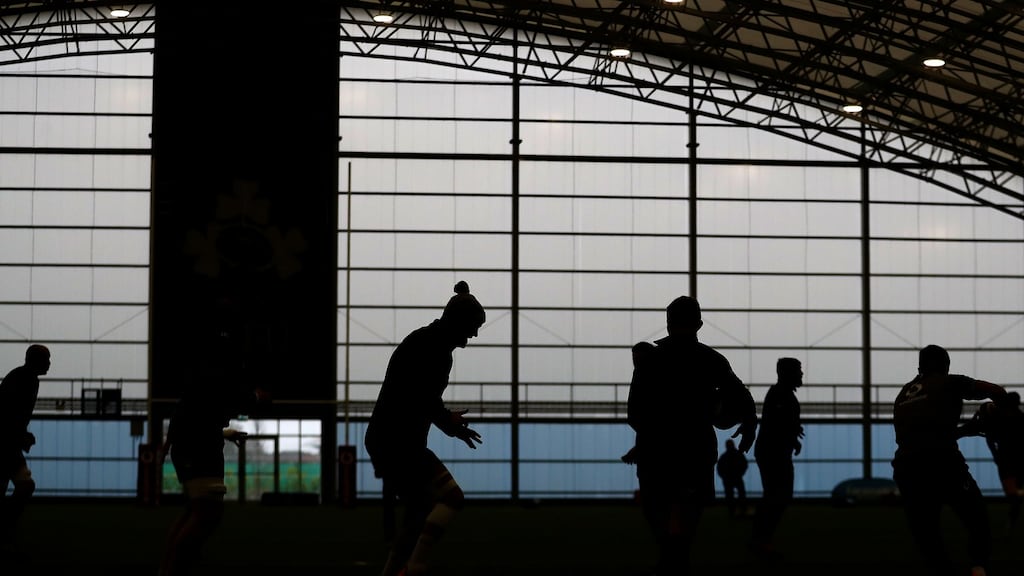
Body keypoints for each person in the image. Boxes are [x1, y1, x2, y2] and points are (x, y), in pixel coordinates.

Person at [626, 295, 757, 576]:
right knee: (688, 506)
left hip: (658, 451)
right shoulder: (711, 360)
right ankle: (678, 556)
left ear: (668, 323)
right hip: (695, 448)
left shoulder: (652, 361)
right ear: (699, 323)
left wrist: (650, 438)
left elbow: (635, 412)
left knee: (658, 506)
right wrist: (749, 422)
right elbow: (741, 395)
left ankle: (670, 556)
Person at [364, 281, 486, 576]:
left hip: (392, 440)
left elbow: (420, 397)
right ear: (458, 321)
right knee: (451, 498)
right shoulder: (433, 349)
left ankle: (397, 570)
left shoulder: (425, 342)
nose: (473, 336)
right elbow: (421, 397)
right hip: (398, 442)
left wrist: (448, 423)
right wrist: (448, 423)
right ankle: (415, 566)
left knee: (418, 511)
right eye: (472, 328)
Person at [157, 296, 270, 576]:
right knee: (207, 514)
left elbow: (194, 406)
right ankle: (173, 567)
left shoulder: (204, 359)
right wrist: (254, 398)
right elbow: (222, 393)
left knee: (194, 510)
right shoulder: (223, 356)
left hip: (194, 441)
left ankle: (170, 565)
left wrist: (222, 430)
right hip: (199, 447)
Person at [892, 344, 1007, 576]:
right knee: (977, 518)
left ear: (919, 366)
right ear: (945, 365)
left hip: (907, 468)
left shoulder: (903, 394)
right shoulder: (950, 382)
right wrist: (999, 413)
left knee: (927, 534)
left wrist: (967, 429)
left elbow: (921, 437)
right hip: (942, 463)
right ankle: (978, 568)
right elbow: (996, 391)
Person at [0, 344, 51, 556]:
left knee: (24, 486)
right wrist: (21, 435)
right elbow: (7, 413)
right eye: (47, 359)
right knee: (25, 486)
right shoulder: (26, 379)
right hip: (5, 446)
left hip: (8, 445)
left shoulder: (22, 377)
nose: (49, 363)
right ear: (36, 360)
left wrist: (22, 435)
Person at [750, 357, 804, 555]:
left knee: (775, 495)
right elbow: (777, 426)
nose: (801, 374)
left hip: (772, 452)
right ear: (787, 373)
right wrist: (792, 435)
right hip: (774, 453)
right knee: (777, 496)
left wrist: (793, 436)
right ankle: (762, 540)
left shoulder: (781, 394)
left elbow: (778, 424)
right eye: (798, 370)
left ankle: (760, 539)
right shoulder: (781, 395)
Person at [957, 391, 1024, 530]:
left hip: (1005, 460)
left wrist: (996, 455)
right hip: (1015, 460)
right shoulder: (1018, 419)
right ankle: (1012, 520)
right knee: (1016, 493)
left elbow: (989, 438)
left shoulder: (1000, 419)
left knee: (1013, 494)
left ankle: (1011, 520)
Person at [716, 438, 748, 518]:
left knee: (730, 496)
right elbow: (744, 464)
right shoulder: (738, 455)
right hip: (737, 477)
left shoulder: (723, 457)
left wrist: (724, 476)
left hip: (728, 479)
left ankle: (732, 511)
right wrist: (740, 473)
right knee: (741, 494)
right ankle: (742, 509)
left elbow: (719, 468)